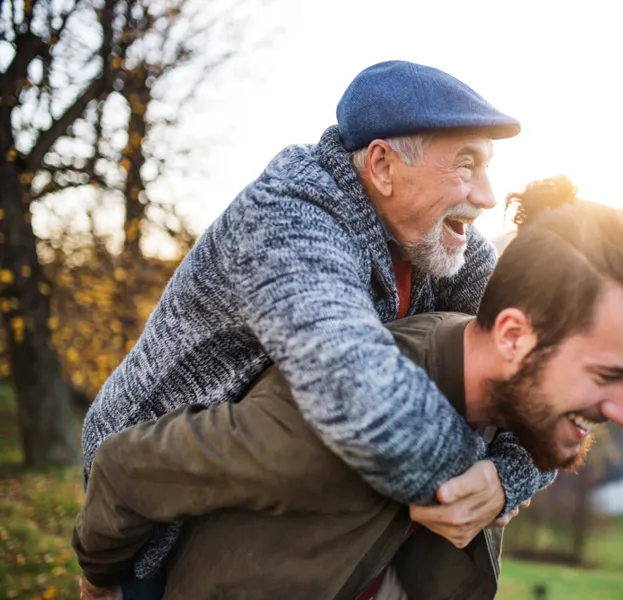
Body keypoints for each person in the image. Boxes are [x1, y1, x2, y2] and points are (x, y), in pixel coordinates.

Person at [73, 176, 623, 600]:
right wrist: (102, 580)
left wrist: (509, 476)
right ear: (512, 337)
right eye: (607, 375)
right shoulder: (330, 422)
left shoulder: (513, 395)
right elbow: (128, 468)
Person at [80, 60, 547, 598]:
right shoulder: (287, 216)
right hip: (154, 484)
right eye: (466, 164)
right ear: (382, 164)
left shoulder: (440, 237)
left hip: (272, 483)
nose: (488, 196)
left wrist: (506, 478)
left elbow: (544, 368)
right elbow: (360, 393)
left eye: (488, 166)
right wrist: (477, 482)